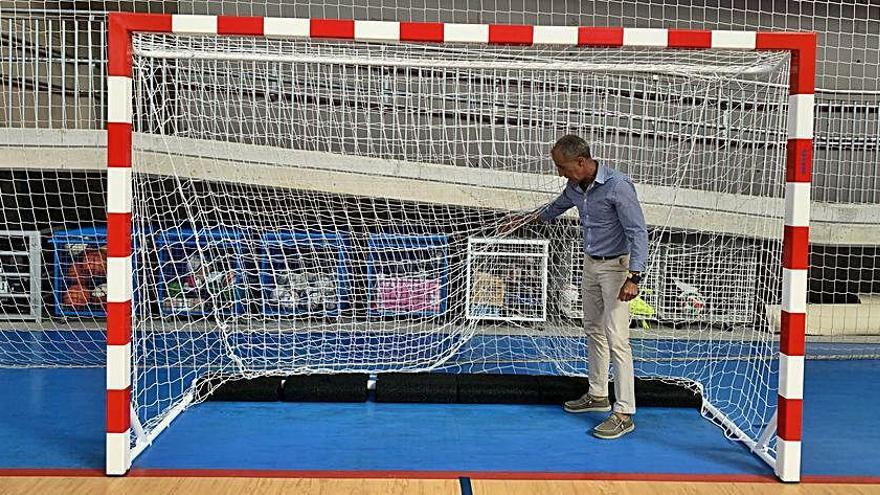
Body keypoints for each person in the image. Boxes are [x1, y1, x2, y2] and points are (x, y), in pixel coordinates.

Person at [504, 134, 649, 439]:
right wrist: (522, 219)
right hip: (591, 264)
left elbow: (638, 232)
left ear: (582, 162)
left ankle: (624, 412)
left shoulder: (618, 186)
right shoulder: (575, 186)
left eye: (563, 166)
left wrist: (634, 278)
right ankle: (597, 394)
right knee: (593, 329)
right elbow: (554, 208)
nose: (560, 172)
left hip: (617, 269)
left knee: (618, 339)